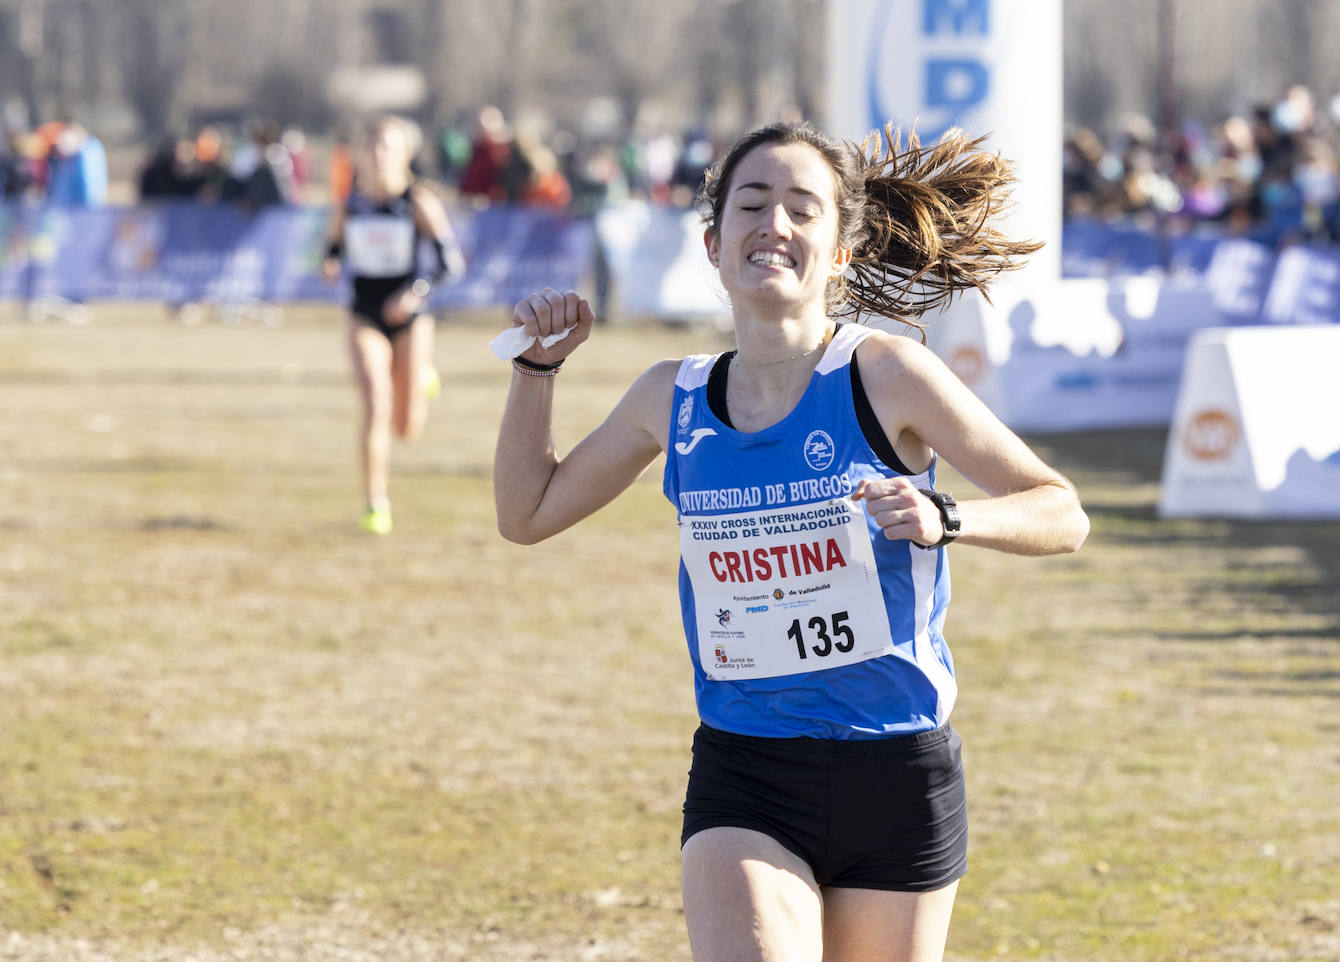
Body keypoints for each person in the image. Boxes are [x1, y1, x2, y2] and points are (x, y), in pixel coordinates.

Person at [493, 119, 1089, 961]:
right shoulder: (674, 396)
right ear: (712, 242)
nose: (774, 223)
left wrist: (950, 519)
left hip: (898, 769)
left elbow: (1060, 509)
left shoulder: (885, 376)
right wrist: (536, 372)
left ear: (841, 251)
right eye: (753, 203)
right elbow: (528, 513)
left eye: (803, 209)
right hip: (748, 771)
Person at [322, 115, 463, 535]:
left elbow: (449, 264)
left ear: (405, 154)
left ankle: (421, 375)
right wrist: (329, 262)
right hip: (365, 314)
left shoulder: (418, 202)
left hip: (410, 317)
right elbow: (331, 248)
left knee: (406, 426)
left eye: (389, 146)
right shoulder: (350, 206)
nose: (380, 154)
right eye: (374, 145)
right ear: (362, 153)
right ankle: (375, 503)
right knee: (375, 403)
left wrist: (414, 293)